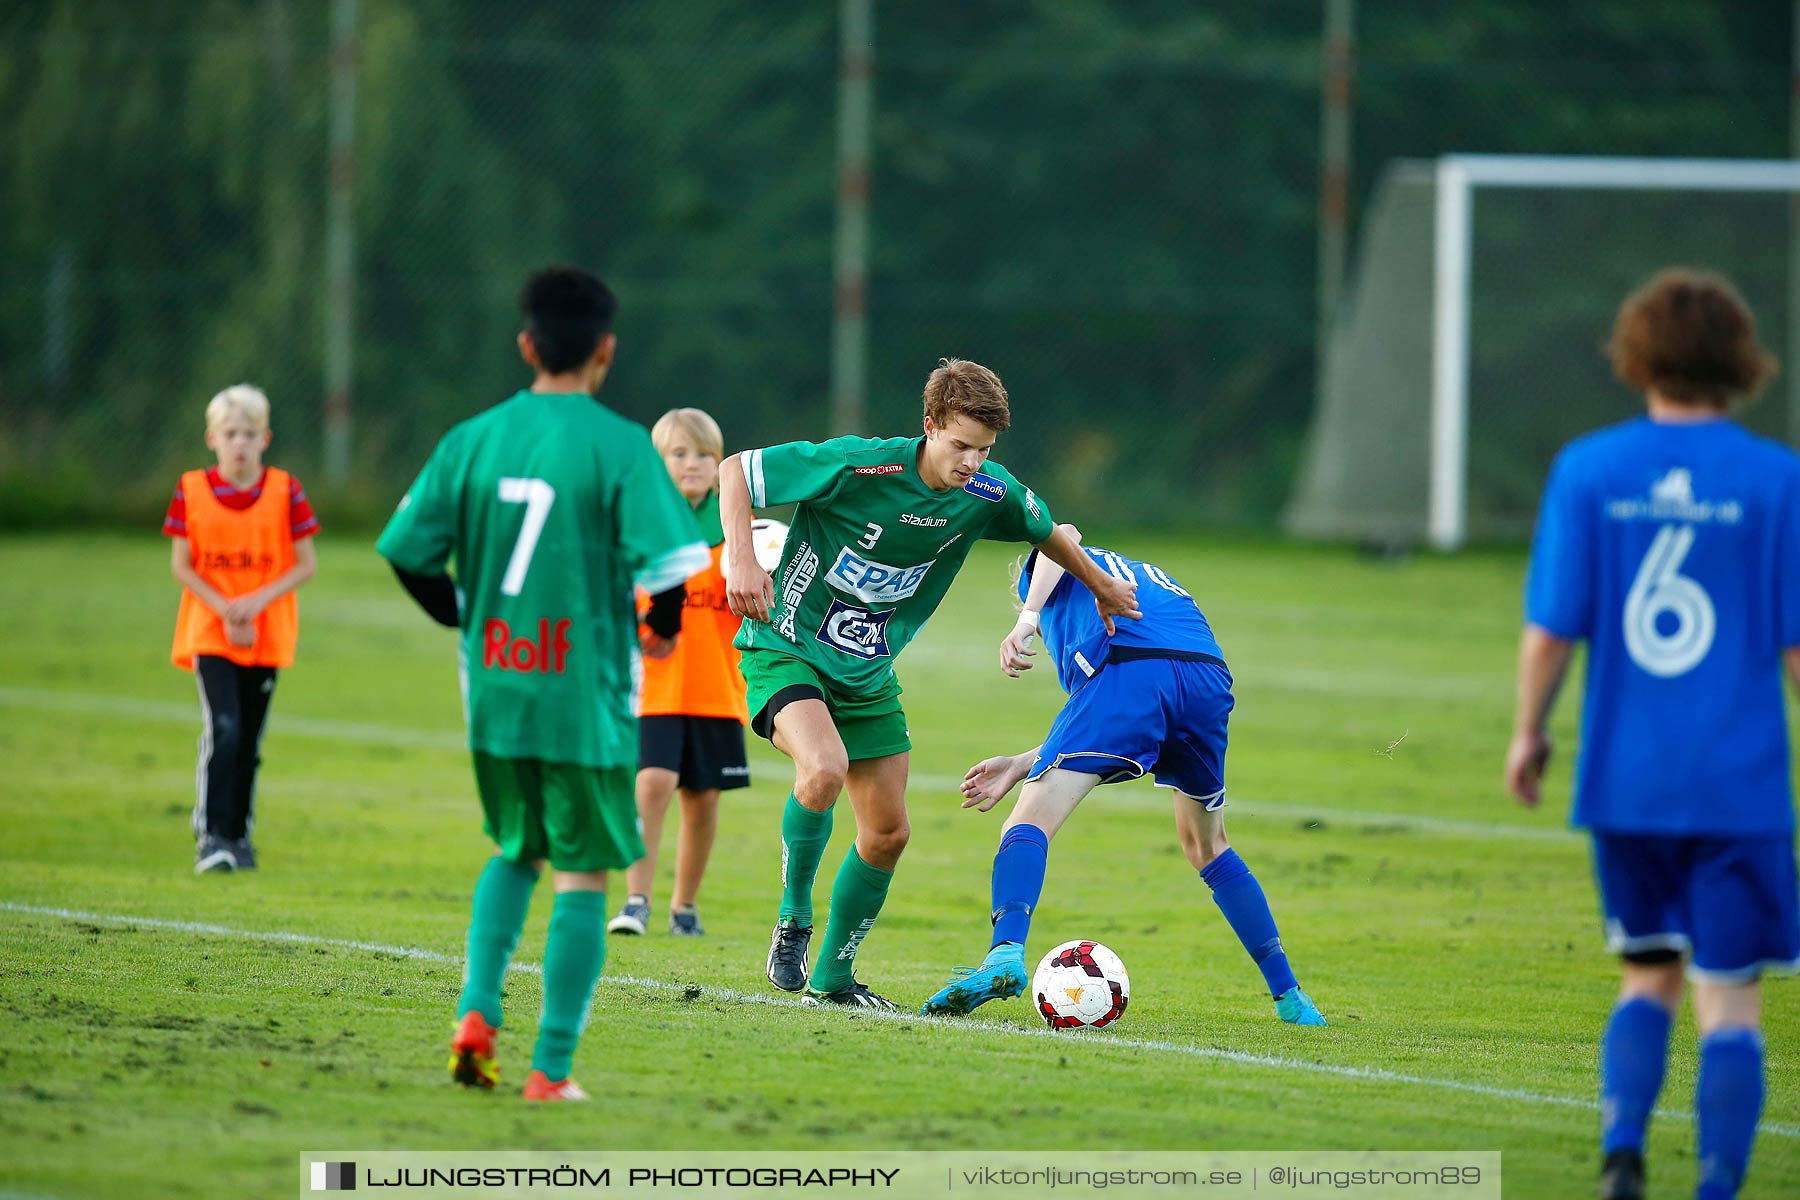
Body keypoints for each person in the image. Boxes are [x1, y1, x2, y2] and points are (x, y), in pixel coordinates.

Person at [377, 267, 707, 1102]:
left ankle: (476, 1014)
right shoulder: (621, 444)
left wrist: (470, 618)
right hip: (582, 694)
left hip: (495, 690)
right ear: (606, 351)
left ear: (526, 345)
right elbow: (672, 566)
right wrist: (664, 627)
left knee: (514, 850)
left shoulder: (473, 438)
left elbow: (406, 552)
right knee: (583, 875)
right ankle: (551, 1070)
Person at [720, 358, 1140, 1010]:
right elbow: (735, 471)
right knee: (823, 768)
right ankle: (793, 917)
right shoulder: (862, 465)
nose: (972, 461)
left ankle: (831, 981)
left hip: (867, 672)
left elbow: (1046, 530)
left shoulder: (986, 492)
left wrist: (1101, 584)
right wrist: (741, 556)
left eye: (985, 449)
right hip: (787, 648)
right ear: (929, 425)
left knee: (889, 833)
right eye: (960, 445)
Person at [1506, 268, 1798, 1200]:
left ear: (1637, 356)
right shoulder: (1776, 479)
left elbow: (1553, 627)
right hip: (1740, 788)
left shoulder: (1590, 469)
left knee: (1647, 977)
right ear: (1740, 362)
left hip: (1626, 781)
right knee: (1730, 998)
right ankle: (1716, 1184)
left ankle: (1624, 1153)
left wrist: (1528, 733)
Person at [921, 527, 1326, 1026]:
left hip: (1131, 669)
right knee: (1207, 845)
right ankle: (1291, 998)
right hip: (1206, 678)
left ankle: (1004, 955)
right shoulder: (1151, 578)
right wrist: (1021, 763)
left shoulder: (1063, 570)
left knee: (1028, 823)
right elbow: (1109, 720)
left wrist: (1027, 617)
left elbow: (1061, 535)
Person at [608, 407, 750, 938]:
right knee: (653, 782)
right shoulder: (644, 528)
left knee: (703, 798)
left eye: (704, 456)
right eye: (678, 454)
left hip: (718, 688)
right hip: (653, 688)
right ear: (657, 462)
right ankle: (636, 899)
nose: (692, 465)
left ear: (719, 466)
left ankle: (684, 907)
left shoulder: (737, 532)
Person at [165, 383, 319, 874]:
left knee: (250, 738)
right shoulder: (191, 489)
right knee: (224, 730)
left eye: (249, 434)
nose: (239, 443)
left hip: (266, 632)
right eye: (230, 433)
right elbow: (182, 565)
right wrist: (226, 609)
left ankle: (239, 836)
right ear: (212, 437)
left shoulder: (284, 490)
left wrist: (254, 604)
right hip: (210, 632)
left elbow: (305, 564)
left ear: (265, 438)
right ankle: (211, 836)